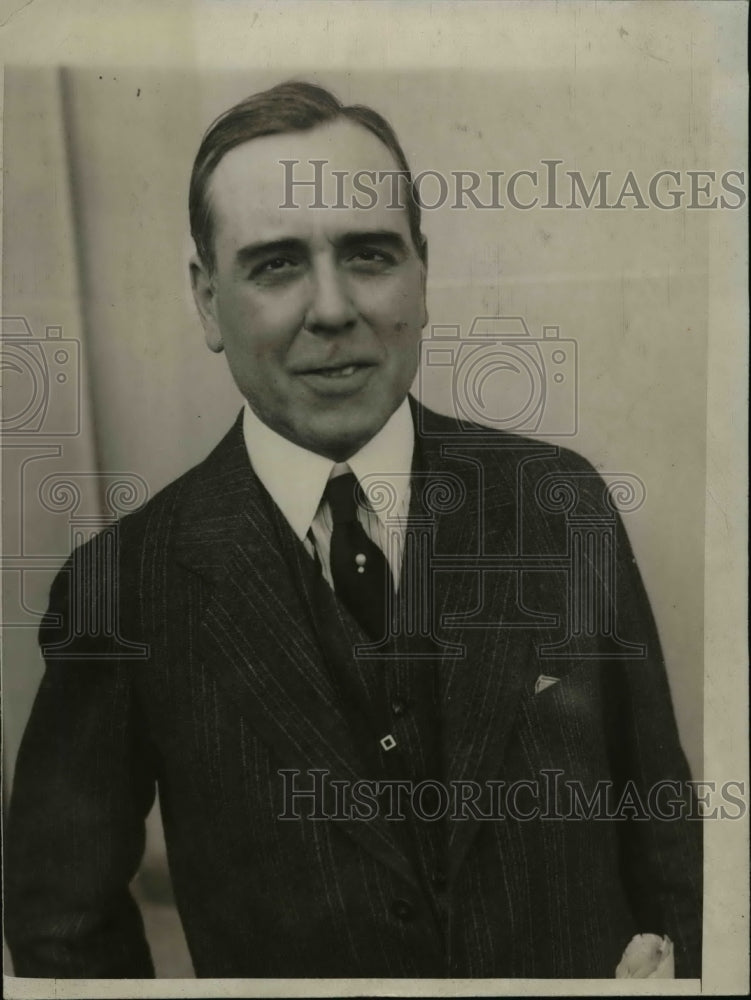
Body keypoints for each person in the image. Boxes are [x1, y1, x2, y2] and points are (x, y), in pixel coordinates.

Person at [5, 80, 702, 979]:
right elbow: (62, 934)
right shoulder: (123, 589)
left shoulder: (556, 504)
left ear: (421, 272)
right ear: (208, 302)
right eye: (275, 265)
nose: (332, 310)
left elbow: (671, 846)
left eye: (369, 255)